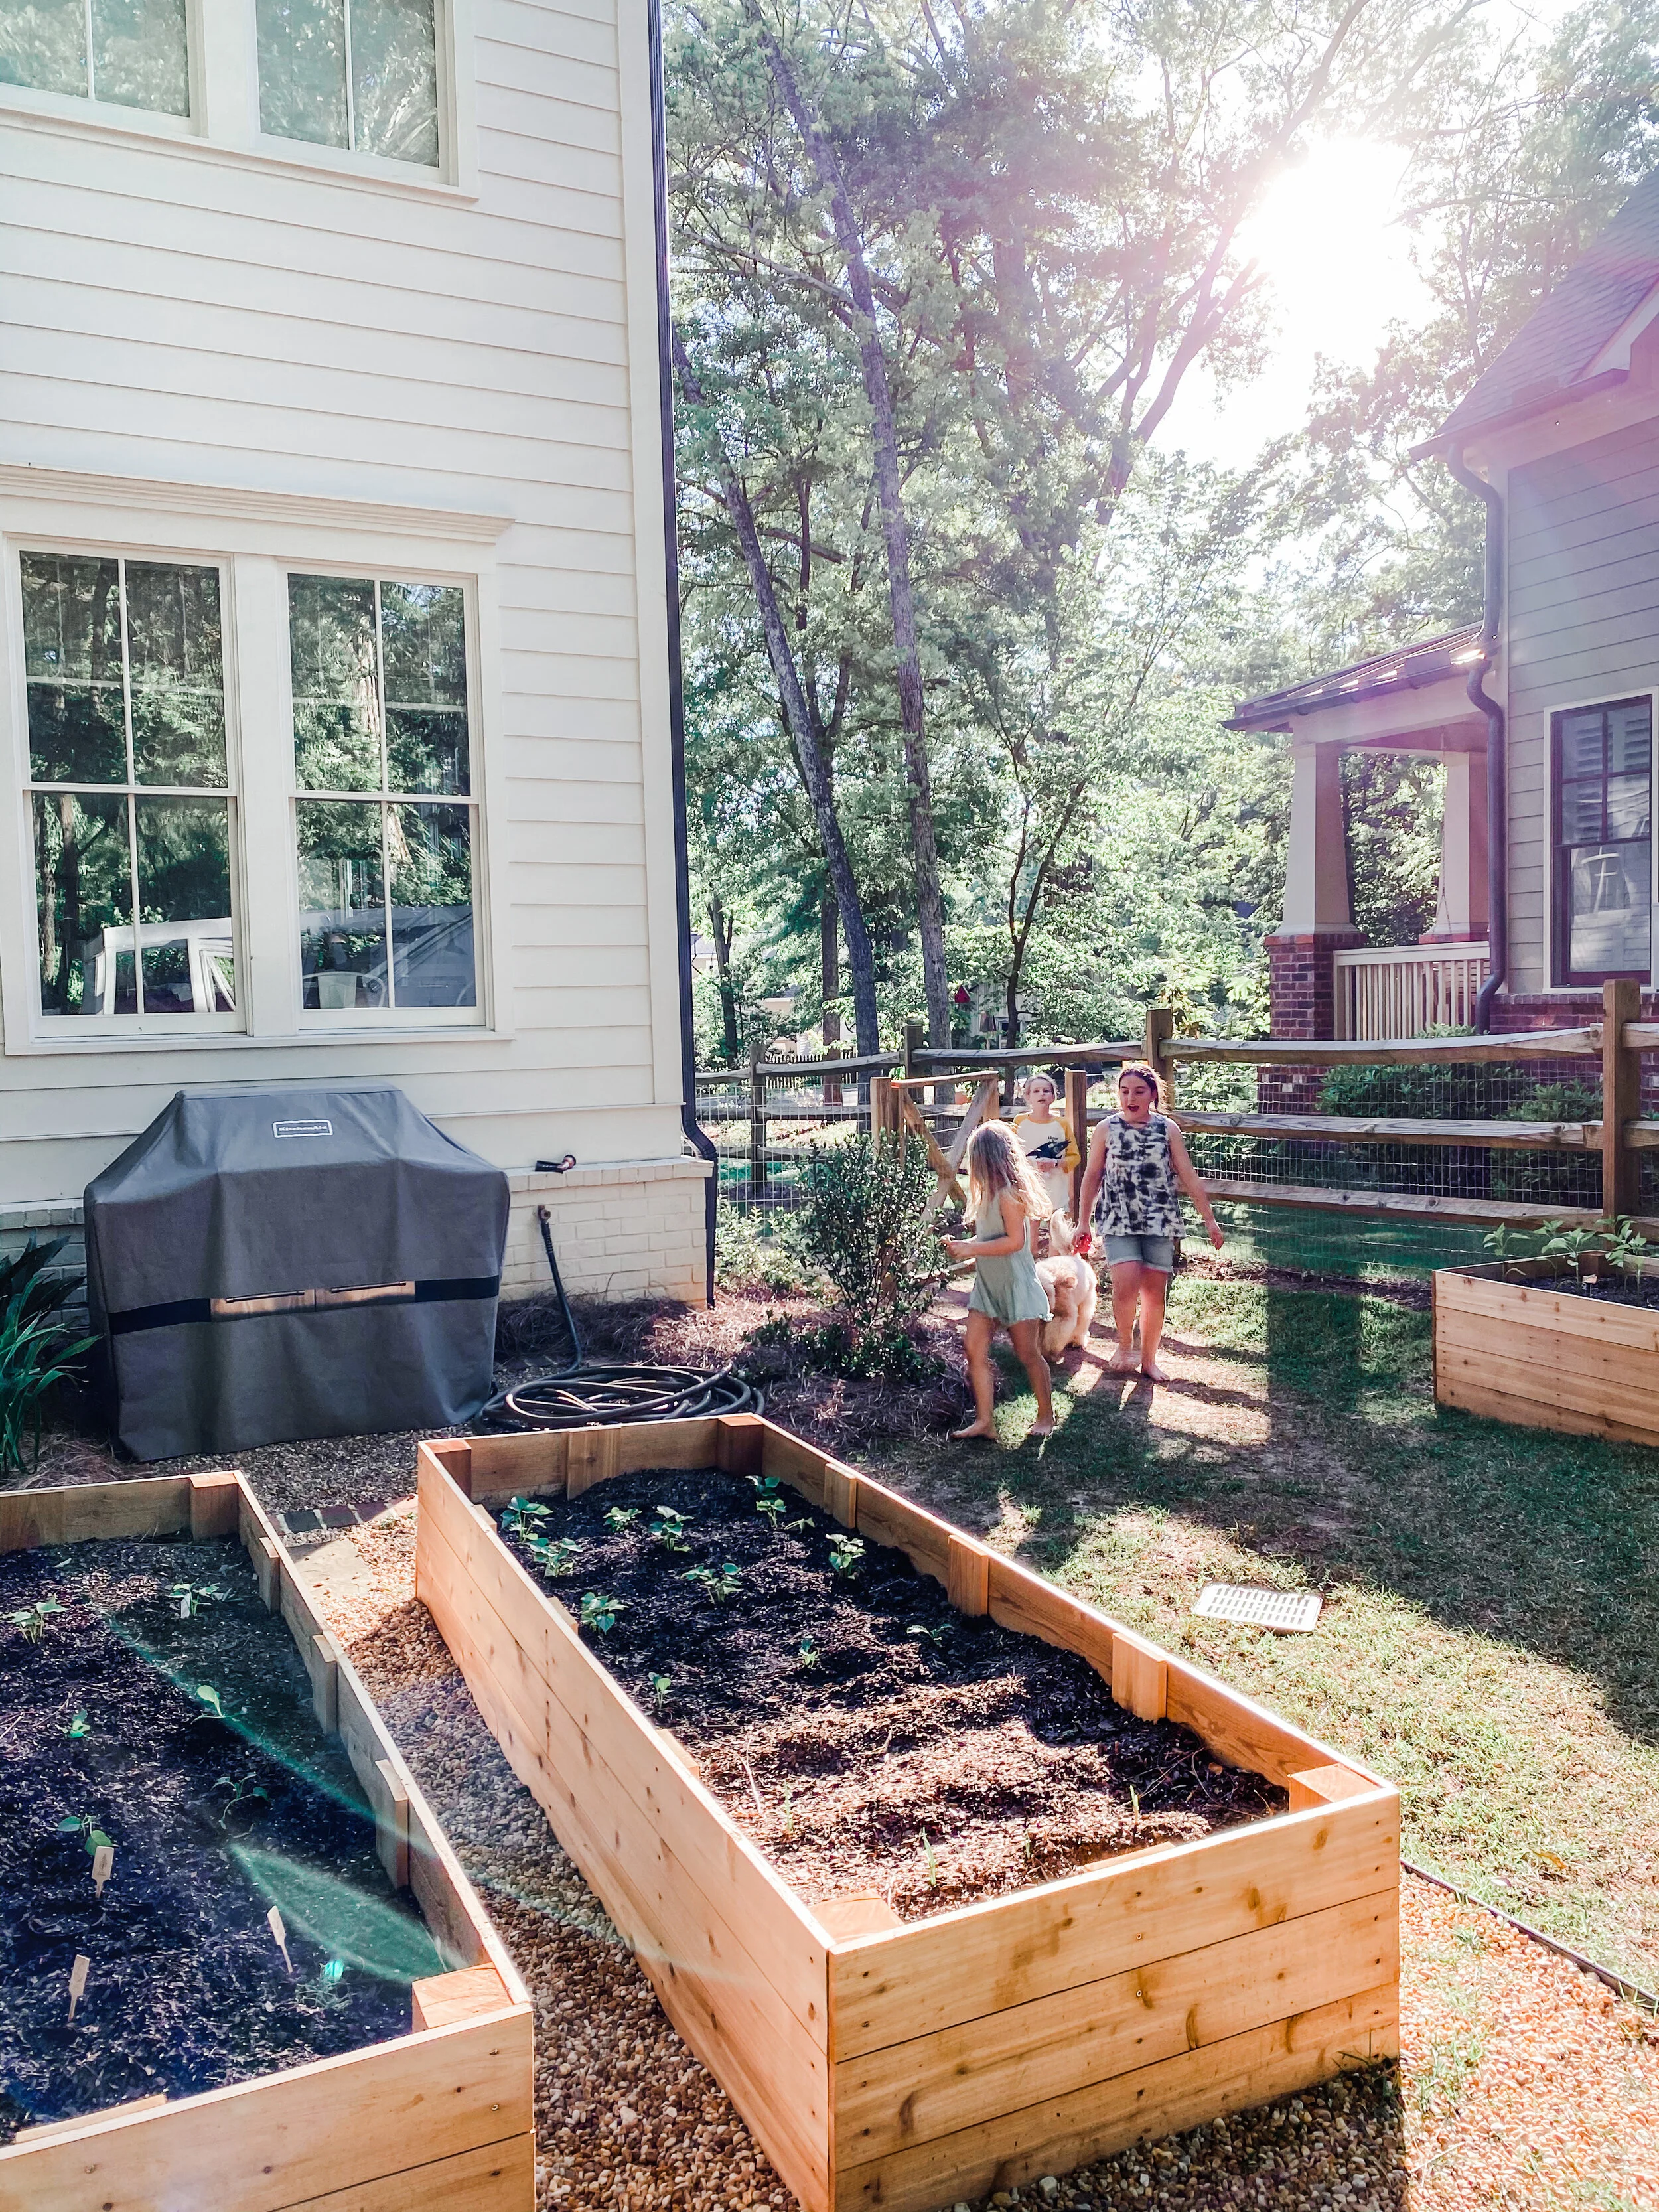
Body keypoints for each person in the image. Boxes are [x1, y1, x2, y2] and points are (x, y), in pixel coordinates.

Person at [1075, 1063, 1224, 1382]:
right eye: (1125, 1091)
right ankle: (1125, 1346)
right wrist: (1082, 1222)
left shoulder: (1167, 1129)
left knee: (1155, 1294)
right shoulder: (1106, 1129)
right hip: (1118, 1217)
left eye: (1139, 1091)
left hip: (1159, 1218)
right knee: (1126, 1283)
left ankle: (1149, 1360)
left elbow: (1188, 1175)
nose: (1131, 1097)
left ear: (1153, 1095)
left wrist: (1209, 1220)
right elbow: (1091, 1176)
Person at [942, 1120, 1056, 1442]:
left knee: (1028, 1354)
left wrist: (972, 1247)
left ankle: (1046, 1415)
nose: (970, 1165)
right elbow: (992, 1237)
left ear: (986, 1158)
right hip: (988, 1287)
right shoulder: (986, 1196)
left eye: (973, 1157)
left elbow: (1015, 1243)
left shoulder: (1009, 1194)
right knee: (974, 1349)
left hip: (1016, 1286)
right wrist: (964, 1252)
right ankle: (985, 1421)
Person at [1010, 1071, 1080, 1221]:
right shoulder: (1019, 1121)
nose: (1041, 1094)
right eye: (1036, 1091)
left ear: (1053, 1097)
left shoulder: (1062, 1124)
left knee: (1057, 1230)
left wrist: (1055, 1164)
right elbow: (1010, 1152)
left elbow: (1075, 1157)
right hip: (1028, 1188)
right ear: (1028, 1097)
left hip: (1056, 1188)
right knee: (1030, 1229)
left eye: (1046, 1091)